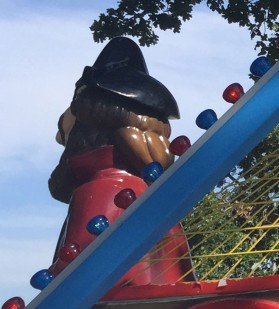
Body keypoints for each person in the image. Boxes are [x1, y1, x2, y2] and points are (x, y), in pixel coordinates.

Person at [48, 36, 193, 286]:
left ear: (87, 113)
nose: (58, 133)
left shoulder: (101, 187)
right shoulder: (150, 194)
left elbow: (79, 268)